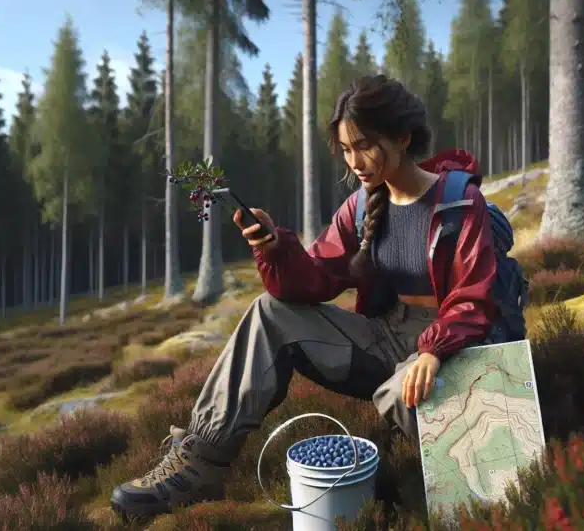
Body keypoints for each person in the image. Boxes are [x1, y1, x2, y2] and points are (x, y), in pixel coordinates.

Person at [110, 74, 498, 520]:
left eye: (365, 146)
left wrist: (432, 350)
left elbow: (474, 297)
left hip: (452, 345)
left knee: (403, 394)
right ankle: (202, 461)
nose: (355, 162)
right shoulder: (360, 208)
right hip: (385, 340)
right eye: (346, 149)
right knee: (269, 312)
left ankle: (468, 498)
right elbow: (315, 279)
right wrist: (276, 248)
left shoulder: (459, 203)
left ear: (402, 137)